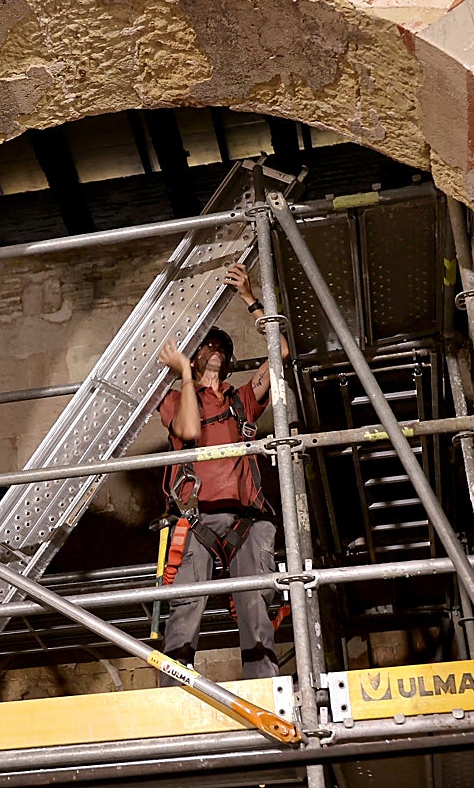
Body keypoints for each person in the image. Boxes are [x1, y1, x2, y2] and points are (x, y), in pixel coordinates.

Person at [156, 261, 289, 683]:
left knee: (256, 607)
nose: (215, 347)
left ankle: (264, 689)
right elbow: (189, 430)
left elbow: (280, 352)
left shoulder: (241, 401)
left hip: (246, 521)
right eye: (206, 344)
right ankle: (170, 694)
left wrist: (250, 298)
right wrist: (184, 376)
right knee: (185, 610)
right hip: (196, 521)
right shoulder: (179, 397)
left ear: (228, 360)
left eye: (220, 345)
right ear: (193, 358)